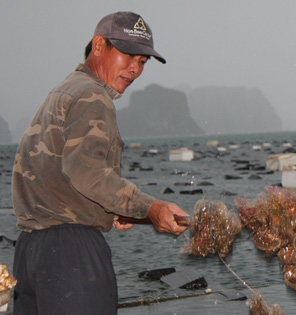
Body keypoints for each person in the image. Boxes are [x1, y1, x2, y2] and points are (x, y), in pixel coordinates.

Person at [11, 11, 188, 314]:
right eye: (128, 56)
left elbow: (50, 172)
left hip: (29, 253)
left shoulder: (64, 90)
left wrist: (112, 209)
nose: (134, 69)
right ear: (98, 46)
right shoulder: (93, 97)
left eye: (143, 63)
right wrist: (151, 207)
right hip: (71, 258)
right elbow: (86, 172)